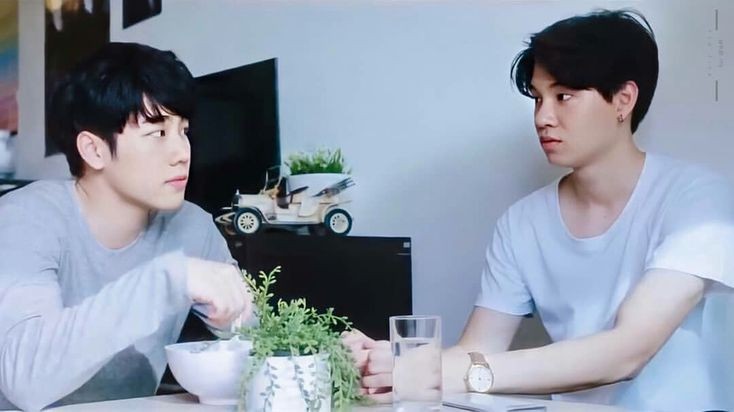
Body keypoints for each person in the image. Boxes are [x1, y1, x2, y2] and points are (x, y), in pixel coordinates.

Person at [345, 9, 734, 412]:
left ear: (623, 100)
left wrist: (449, 373)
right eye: (537, 98)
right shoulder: (522, 222)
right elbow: (477, 350)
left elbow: (627, 351)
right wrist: (393, 365)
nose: (543, 118)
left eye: (563, 96)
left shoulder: (698, 199)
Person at [0, 43, 253, 411]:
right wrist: (166, 281)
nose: (183, 152)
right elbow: (24, 380)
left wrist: (236, 321)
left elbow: (260, 337)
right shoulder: (26, 217)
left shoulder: (192, 227)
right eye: (158, 133)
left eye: (183, 130)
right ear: (94, 150)